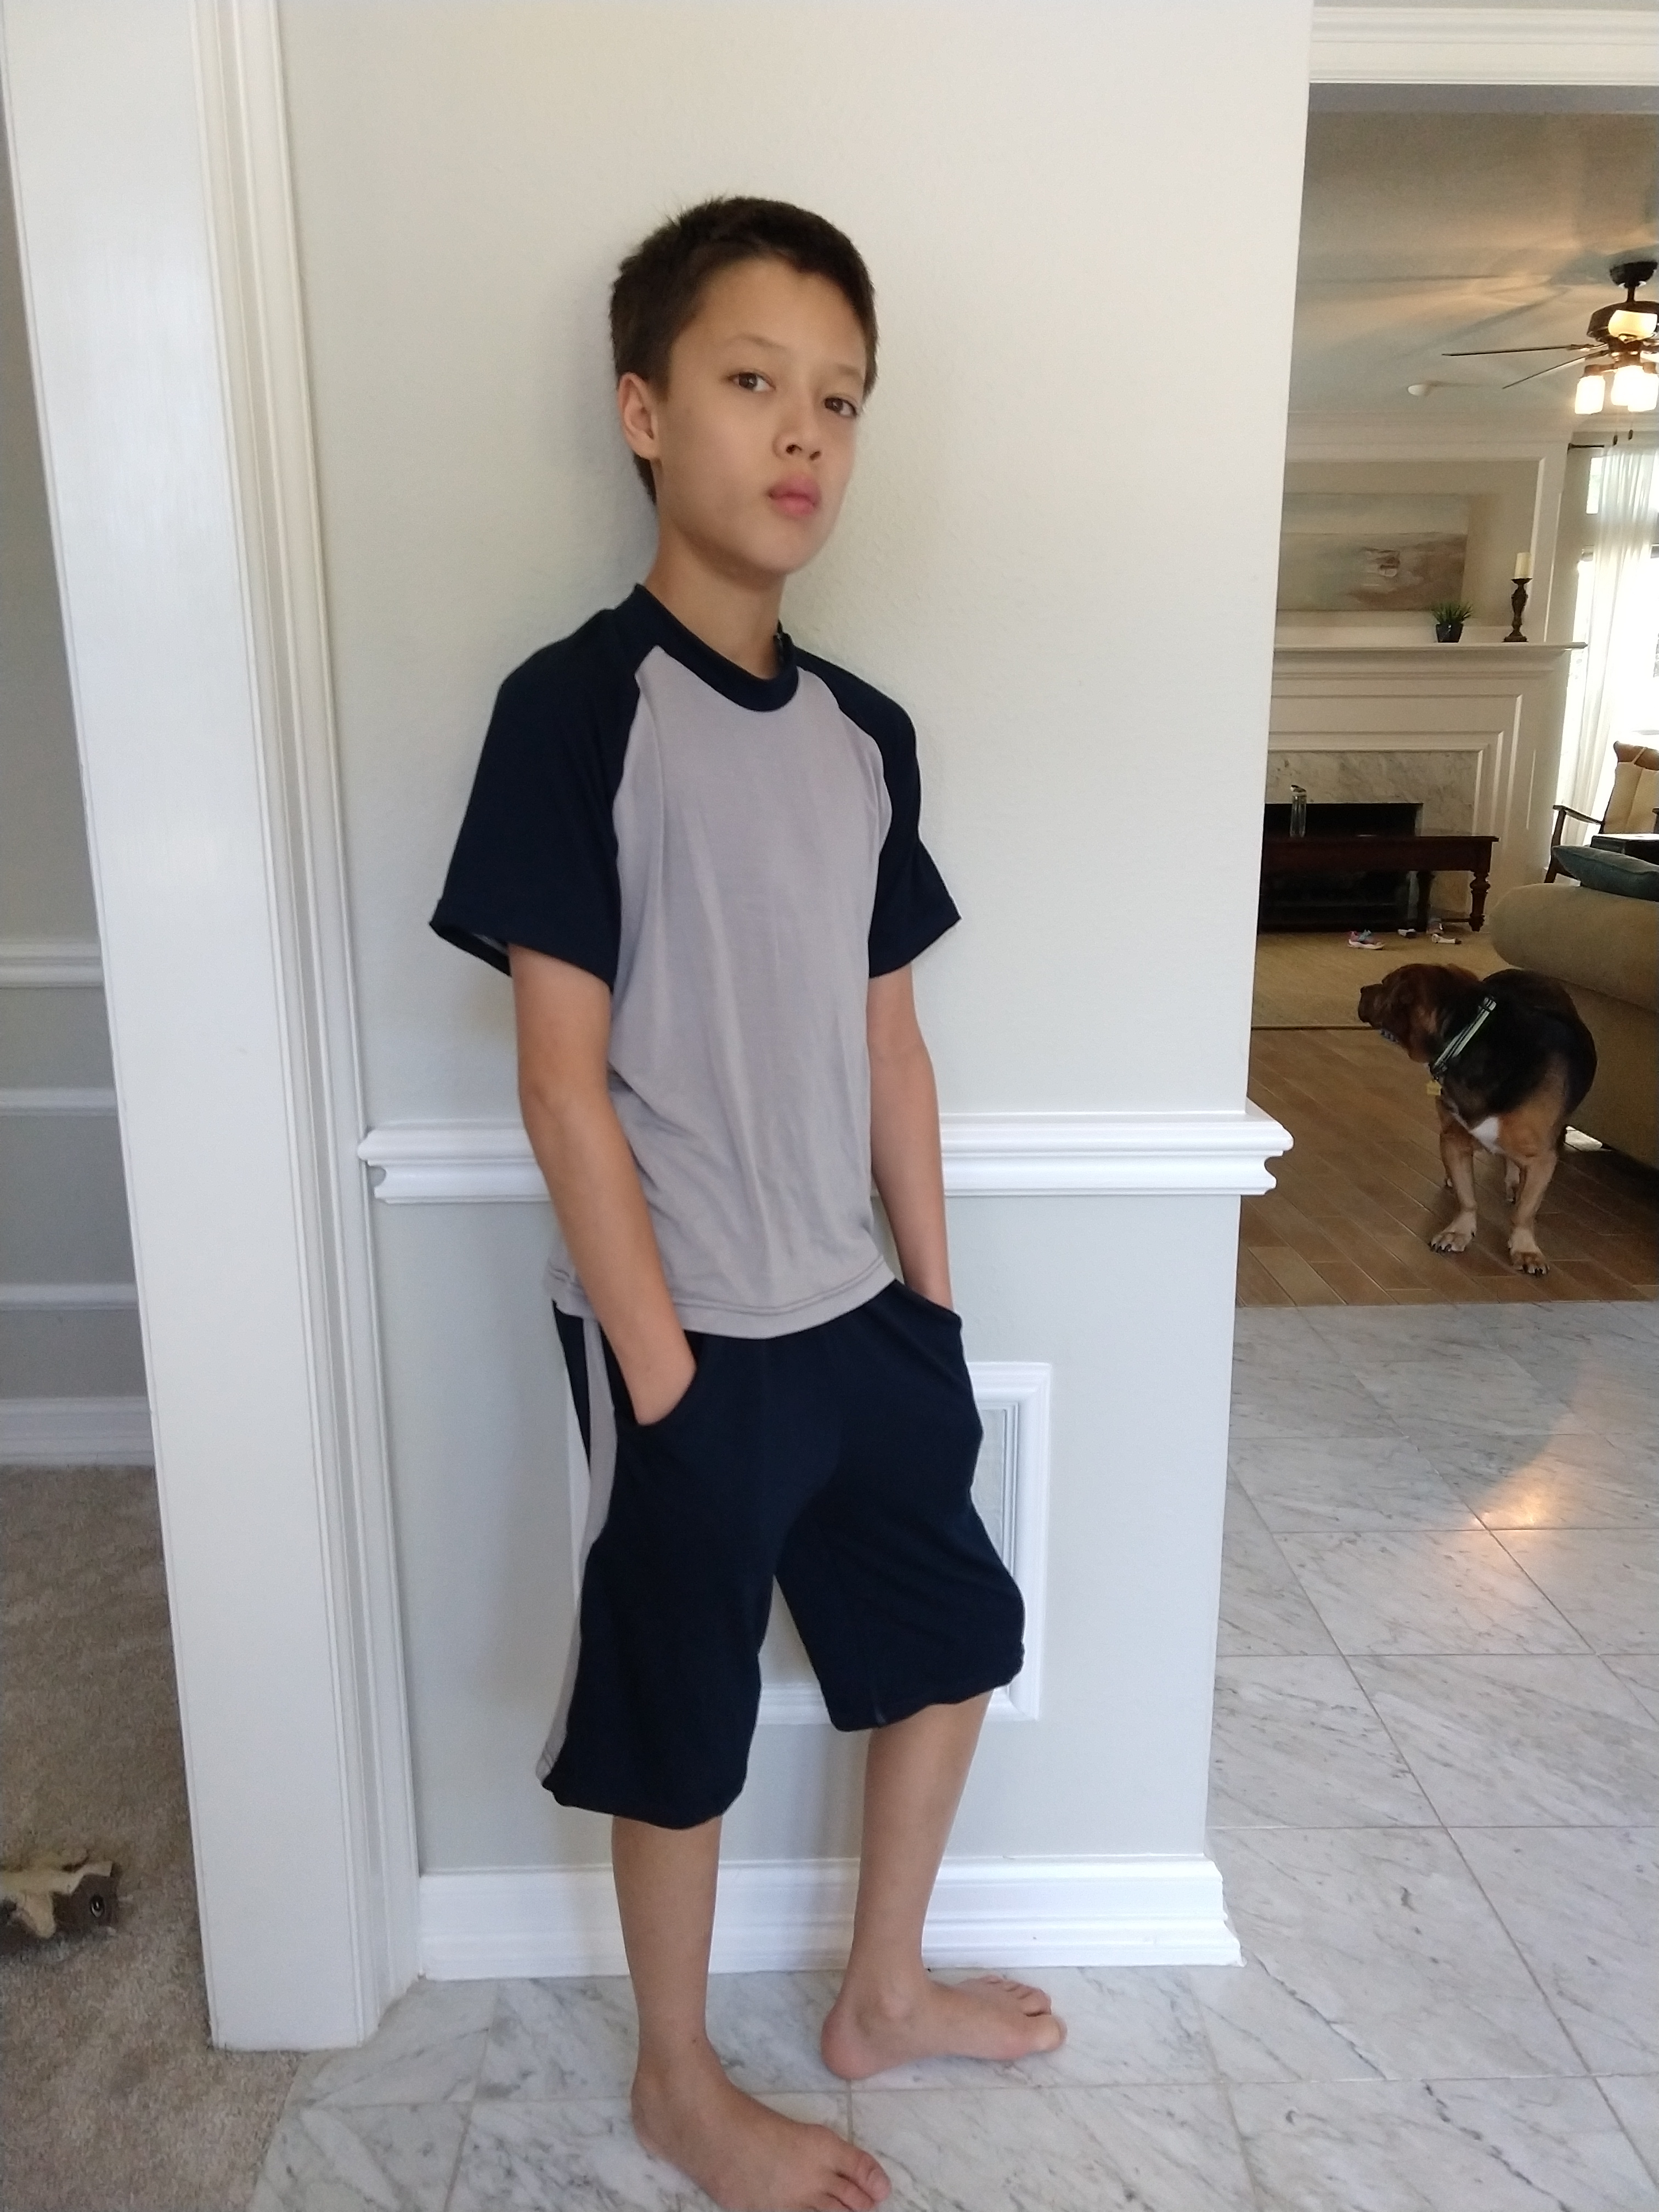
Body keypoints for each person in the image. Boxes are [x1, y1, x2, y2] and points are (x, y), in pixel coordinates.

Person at [431, 195, 1063, 2212]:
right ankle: (678, 2078)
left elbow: (893, 1048)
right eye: (754, 382)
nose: (804, 432)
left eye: (842, 400)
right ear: (646, 412)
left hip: (860, 1317)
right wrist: (662, 1376)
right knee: (680, 1717)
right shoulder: (572, 709)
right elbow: (560, 1082)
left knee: (955, 1640)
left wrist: (933, 1317)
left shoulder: (869, 736)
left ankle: (880, 1994)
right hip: (688, 1328)